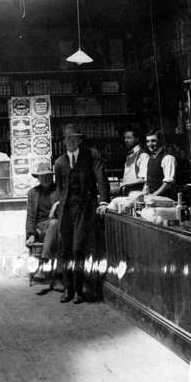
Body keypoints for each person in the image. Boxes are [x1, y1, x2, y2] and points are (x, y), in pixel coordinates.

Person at [52, 123, 109, 304]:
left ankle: (78, 290)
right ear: (64, 142)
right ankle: (68, 289)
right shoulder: (60, 163)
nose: (71, 142)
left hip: (84, 210)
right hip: (66, 212)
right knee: (66, 250)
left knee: (78, 249)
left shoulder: (91, 156)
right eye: (68, 139)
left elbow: (101, 179)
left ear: (80, 140)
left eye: (75, 138)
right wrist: (59, 206)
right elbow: (60, 190)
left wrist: (103, 201)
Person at [25, 160, 63, 296]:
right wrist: (30, 234)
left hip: (57, 224)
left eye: (47, 175)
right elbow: (30, 216)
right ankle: (57, 278)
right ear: (38, 178)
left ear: (51, 176)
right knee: (57, 238)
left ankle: (43, 266)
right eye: (42, 176)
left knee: (55, 226)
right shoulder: (33, 193)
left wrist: (56, 206)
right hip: (40, 228)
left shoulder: (59, 190)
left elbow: (63, 210)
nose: (45, 178)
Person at [107, 128, 149, 213]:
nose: (125, 140)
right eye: (125, 138)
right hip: (128, 193)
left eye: (128, 138)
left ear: (137, 139)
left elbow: (143, 178)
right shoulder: (129, 155)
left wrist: (124, 183)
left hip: (137, 195)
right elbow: (132, 176)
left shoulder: (143, 155)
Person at [143, 130, 177, 199]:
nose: (150, 144)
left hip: (165, 199)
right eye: (148, 141)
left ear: (161, 141)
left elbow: (168, 184)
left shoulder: (168, 158)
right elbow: (148, 182)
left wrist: (153, 196)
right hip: (152, 199)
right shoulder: (151, 158)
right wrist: (142, 194)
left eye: (153, 141)